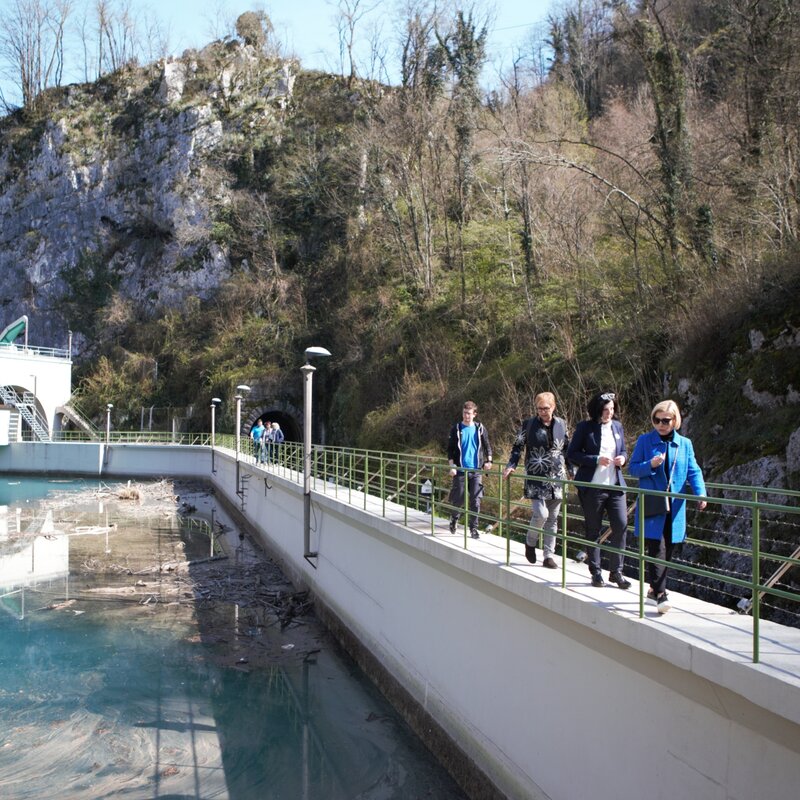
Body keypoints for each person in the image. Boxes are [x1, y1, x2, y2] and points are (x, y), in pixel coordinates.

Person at [628, 400, 707, 614]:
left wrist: (700, 493)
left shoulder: (685, 444)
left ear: (675, 421)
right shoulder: (645, 441)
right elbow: (633, 469)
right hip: (653, 503)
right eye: (656, 420)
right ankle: (662, 595)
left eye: (665, 420)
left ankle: (654, 589)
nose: (660, 424)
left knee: (669, 549)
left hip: (675, 506)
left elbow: (694, 471)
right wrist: (651, 465)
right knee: (657, 549)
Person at [567, 392, 631, 589]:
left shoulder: (617, 426)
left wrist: (623, 458)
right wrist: (595, 459)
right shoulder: (585, 428)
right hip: (593, 486)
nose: (609, 413)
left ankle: (616, 572)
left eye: (612, 409)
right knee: (593, 529)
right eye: (605, 410)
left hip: (615, 486)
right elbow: (572, 454)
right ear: (597, 410)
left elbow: (623, 450)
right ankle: (596, 572)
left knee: (620, 524)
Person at [502, 392, 571, 567]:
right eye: (539, 409)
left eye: (546, 408)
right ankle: (530, 542)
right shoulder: (528, 425)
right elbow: (517, 447)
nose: (542, 412)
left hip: (557, 478)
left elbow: (567, 449)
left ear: (553, 407)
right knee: (541, 514)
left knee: (553, 518)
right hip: (535, 475)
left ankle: (548, 555)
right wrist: (511, 465)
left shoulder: (562, 424)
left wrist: (573, 470)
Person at [447, 401, 493, 538]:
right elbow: (450, 450)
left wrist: (489, 461)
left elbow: (487, 446)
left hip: (476, 470)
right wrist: (452, 466)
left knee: (475, 499)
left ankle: (473, 528)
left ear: (474, 414)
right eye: (464, 413)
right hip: (460, 470)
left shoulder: (480, 428)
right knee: (459, 498)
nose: (466, 416)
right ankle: (454, 518)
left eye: (469, 413)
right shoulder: (456, 429)